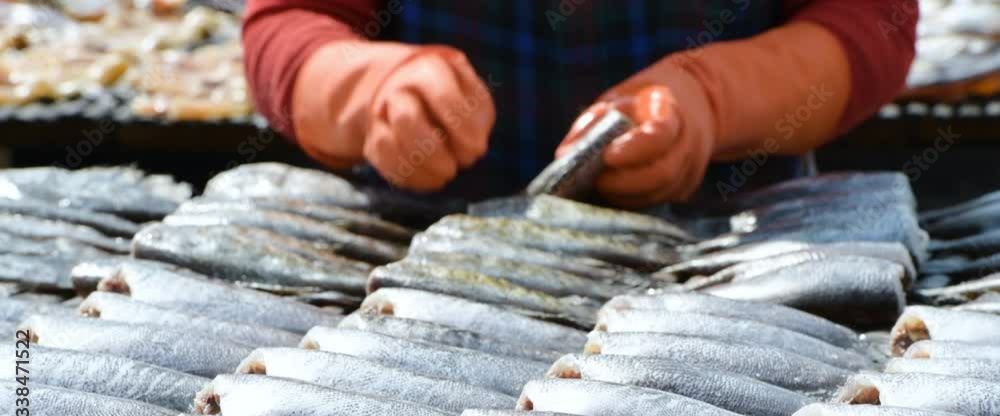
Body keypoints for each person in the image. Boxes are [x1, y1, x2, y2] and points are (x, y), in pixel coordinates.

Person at [242, 0, 917, 207]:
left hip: (728, 273)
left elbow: (871, 23)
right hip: (428, 282)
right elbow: (288, 28)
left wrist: (715, 99)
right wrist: (372, 93)